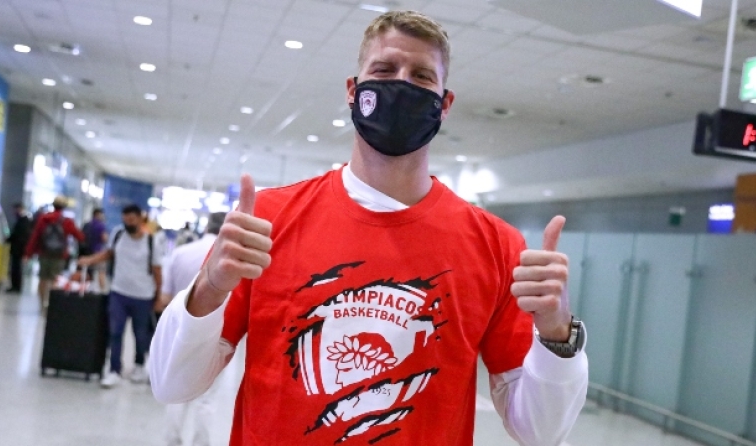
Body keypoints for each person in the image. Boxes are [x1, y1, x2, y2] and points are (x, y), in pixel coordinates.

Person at [150, 10, 588, 446]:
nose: (401, 84)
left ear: (445, 104)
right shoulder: (267, 220)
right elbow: (171, 384)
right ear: (353, 90)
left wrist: (557, 334)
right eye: (384, 69)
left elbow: (540, 432)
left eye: (421, 76)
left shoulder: (495, 245)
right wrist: (210, 286)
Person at [158, 212, 227, 446]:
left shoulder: (180, 253)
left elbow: (165, 298)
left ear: (207, 226)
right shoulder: (231, 260)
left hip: (181, 332)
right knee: (206, 399)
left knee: (176, 392)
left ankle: (172, 441)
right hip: (217, 334)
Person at [78, 204, 163, 388]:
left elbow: (157, 271)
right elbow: (108, 254)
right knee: (115, 332)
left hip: (143, 295)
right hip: (119, 292)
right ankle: (114, 369)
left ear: (140, 219)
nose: (128, 223)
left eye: (131, 220)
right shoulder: (118, 234)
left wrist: (158, 296)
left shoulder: (151, 242)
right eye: (125, 220)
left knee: (140, 334)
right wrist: (90, 260)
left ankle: (139, 365)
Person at [24, 196, 84, 310]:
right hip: (59, 255)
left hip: (44, 253)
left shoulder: (44, 218)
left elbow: (35, 236)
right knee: (55, 280)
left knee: (42, 279)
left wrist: (28, 253)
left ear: (53, 205)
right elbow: (79, 236)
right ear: (64, 207)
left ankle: (42, 304)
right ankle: (51, 305)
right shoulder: (67, 221)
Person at [5, 203, 33, 293]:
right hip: (20, 248)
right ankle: (16, 286)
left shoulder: (23, 220)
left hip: (18, 248)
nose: (14, 212)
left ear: (19, 209)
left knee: (16, 268)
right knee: (16, 268)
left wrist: (8, 239)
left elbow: (17, 235)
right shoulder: (25, 220)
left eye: (15, 209)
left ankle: (15, 286)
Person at [80, 208, 108, 292]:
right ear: (98, 215)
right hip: (98, 252)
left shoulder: (87, 224)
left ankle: (85, 289)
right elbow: (104, 238)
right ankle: (102, 291)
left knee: (87, 272)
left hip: (87, 252)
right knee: (101, 272)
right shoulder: (100, 225)